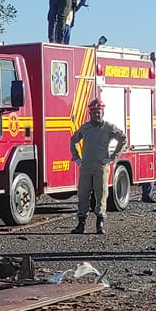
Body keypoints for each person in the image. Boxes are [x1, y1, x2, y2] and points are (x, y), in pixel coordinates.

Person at [69, 99, 125, 234]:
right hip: (86, 167)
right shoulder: (85, 128)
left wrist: (113, 157)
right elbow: (73, 140)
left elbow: (123, 139)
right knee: (83, 194)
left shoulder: (109, 127)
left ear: (103, 113)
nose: (96, 115)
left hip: (101, 167)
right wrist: (76, 157)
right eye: (94, 113)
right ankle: (81, 224)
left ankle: (100, 224)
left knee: (101, 194)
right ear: (90, 114)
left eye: (98, 112)